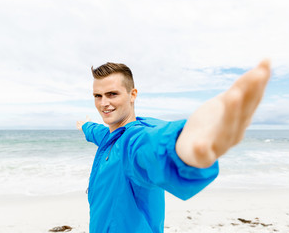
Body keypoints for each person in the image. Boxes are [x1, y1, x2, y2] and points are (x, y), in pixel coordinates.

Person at [76, 60, 271, 233]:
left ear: (132, 94)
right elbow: (98, 132)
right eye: (97, 96)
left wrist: (186, 150)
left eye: (112, 94)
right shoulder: (110, 135)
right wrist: (85, 126)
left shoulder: (132, 141)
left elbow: (152, 149)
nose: (104, 103)